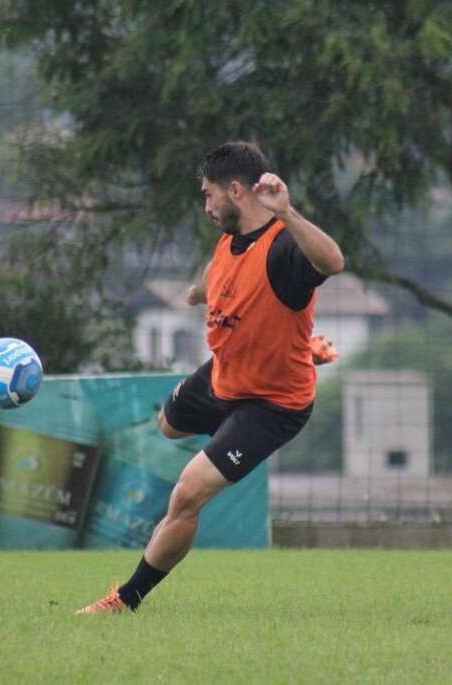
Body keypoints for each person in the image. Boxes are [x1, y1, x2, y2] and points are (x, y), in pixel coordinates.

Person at [77, 141, 344, 614]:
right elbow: (218, 274)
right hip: (224, 378)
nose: (205, 205)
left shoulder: (283, 247)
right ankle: (294, 356)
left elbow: (333, 261)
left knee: (187, 494)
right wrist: (198, 291)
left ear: (237, 191)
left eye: (208, 195)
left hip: (273, 404)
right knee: (168, 424)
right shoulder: (228, 240)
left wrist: (288, 212)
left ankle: (125, 600)